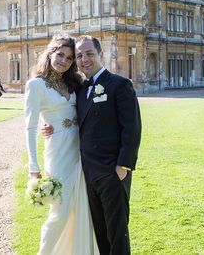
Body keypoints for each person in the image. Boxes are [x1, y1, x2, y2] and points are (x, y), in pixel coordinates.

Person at [42, 35, 142, 254]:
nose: (84, 59)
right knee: (99, 232)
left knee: (117, 232)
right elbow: (67, 117)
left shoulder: (119, 85)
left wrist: (123, 166)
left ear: (100, 55)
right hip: (87, 173)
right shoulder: (79, 89)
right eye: (79, 56)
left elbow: (132, 128)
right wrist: (47, 126)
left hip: (112, 172)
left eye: (89, 54)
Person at [25, 34, 99, 254]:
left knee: (81, 208)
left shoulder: (74, 82)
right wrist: (33, 167)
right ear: (50, 53)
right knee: (60, 213)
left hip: (80, 152)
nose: (64, 61)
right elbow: (29, 127)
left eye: (69, 58)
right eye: (60, 55)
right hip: (58, 153)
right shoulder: (36, 85)